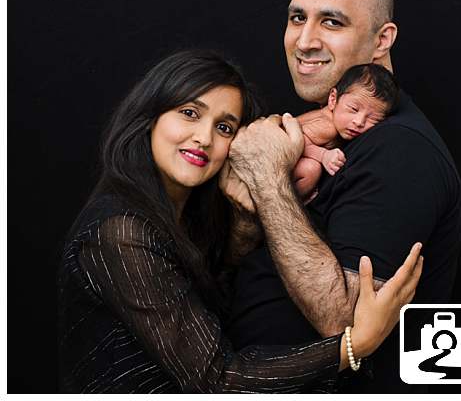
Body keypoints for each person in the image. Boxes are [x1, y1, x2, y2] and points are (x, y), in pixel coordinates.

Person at [58, 50, 422, 392]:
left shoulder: (187, 213)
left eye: (225, 128)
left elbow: (219, 306)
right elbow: (217, 379)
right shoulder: (120, 232)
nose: (203, 138)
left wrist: (246, 220)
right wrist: (355, 345)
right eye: (189, 113)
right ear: (150, 117)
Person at [223, 0, 461, 391]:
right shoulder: (332, 133)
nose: (305, 41)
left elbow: (348, 323)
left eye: (332, 22)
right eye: (297, 18)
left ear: (382, 40)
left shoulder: (400, 149)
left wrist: (267, 179)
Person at [292, 63, 399, 201]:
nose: (359, 122)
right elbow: (295, 141)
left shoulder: (341, 124)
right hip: (272, 155)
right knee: (311, 169)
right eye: (353, 109)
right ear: (332, 99)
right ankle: (289, 202)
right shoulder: (327, 126)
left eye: (374, 119)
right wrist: (323, 155)